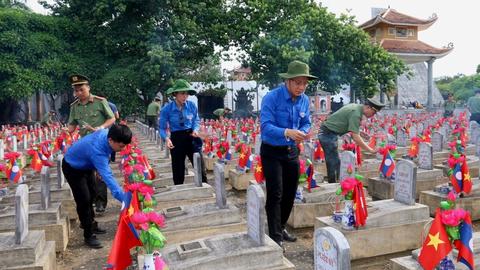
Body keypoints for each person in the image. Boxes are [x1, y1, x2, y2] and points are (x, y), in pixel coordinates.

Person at [260, 60, 315, 249]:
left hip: (291, 151)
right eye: (298, 82)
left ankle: (281, 227)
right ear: (288, 81)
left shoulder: (304, 100)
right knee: (275, 193)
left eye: (305, 83)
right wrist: (287, 132)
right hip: (272, 151)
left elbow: (307, 121)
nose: (301, 87)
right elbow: (266, 127)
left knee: (290, 193)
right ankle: (275, 236)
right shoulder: (271, 98)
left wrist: (303, 131)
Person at [62, 124, 131, 248]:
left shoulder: (107, 134)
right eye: (121, 146)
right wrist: (125, 200)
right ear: (111, 140)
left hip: (87, 164)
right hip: (72, 167)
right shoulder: (97, 151)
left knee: (93, 193)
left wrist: (98, 168)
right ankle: (88, 235)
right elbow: (109, 179)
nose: (123, 149)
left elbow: (106, 154)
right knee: (84, 199)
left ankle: (90, 223)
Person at [67, 74, 116, 213]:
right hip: (85, 145)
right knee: (87, 173)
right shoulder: (74, 106)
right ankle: (92, 200)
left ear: (88, 87)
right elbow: (71, 126)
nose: (78, 93)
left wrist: (101, 127)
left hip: (100, 142)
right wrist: (66, 130)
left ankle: (101, 202)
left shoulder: (100, 102)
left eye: (81, 89)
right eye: (76, 90)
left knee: (100, 173)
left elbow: (111, 118)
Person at [318, 98, 385, 183]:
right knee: (333, 161)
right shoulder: (356, 113)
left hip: (329, 132)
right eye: (374, 112)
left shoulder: (356, 108)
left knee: (335, 161)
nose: (373, 115)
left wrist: (359, 132)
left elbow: (343, 122)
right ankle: (333, 184)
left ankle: (336, 181)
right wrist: (370, 150)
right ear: (368, 107)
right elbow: (355, 137)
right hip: (327, 134)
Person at [159, 79, 207, 185]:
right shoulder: (166, 109)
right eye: (182, 93)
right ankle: (179, 187)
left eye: (187, 93)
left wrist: (195, 129)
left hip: (191, 137)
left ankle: (204, 185)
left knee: (199, 164)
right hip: (176, 138)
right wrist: (166, 139)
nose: (185, 96)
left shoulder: (191, 106)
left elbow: (196, 120)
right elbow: (161, 128)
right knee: (178, 167)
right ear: (175, 94)